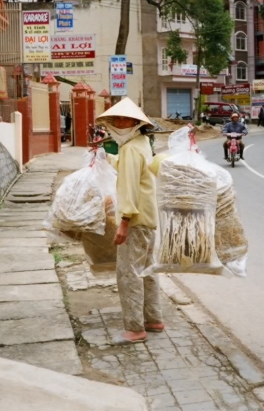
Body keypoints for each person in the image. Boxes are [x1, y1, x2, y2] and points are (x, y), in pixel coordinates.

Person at [96, 98, 163, 345]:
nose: (117, 123)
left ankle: (135, 328)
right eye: (115, 119)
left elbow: (129, 187)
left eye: (123, 119)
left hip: (135, 220)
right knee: (147, 270)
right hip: (148, 217)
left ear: (135, 123)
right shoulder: (142, 143)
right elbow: (130, 169)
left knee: (129, 273)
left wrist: (123, 222)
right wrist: (106, 159)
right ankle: (153, 319)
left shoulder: (131, 148)